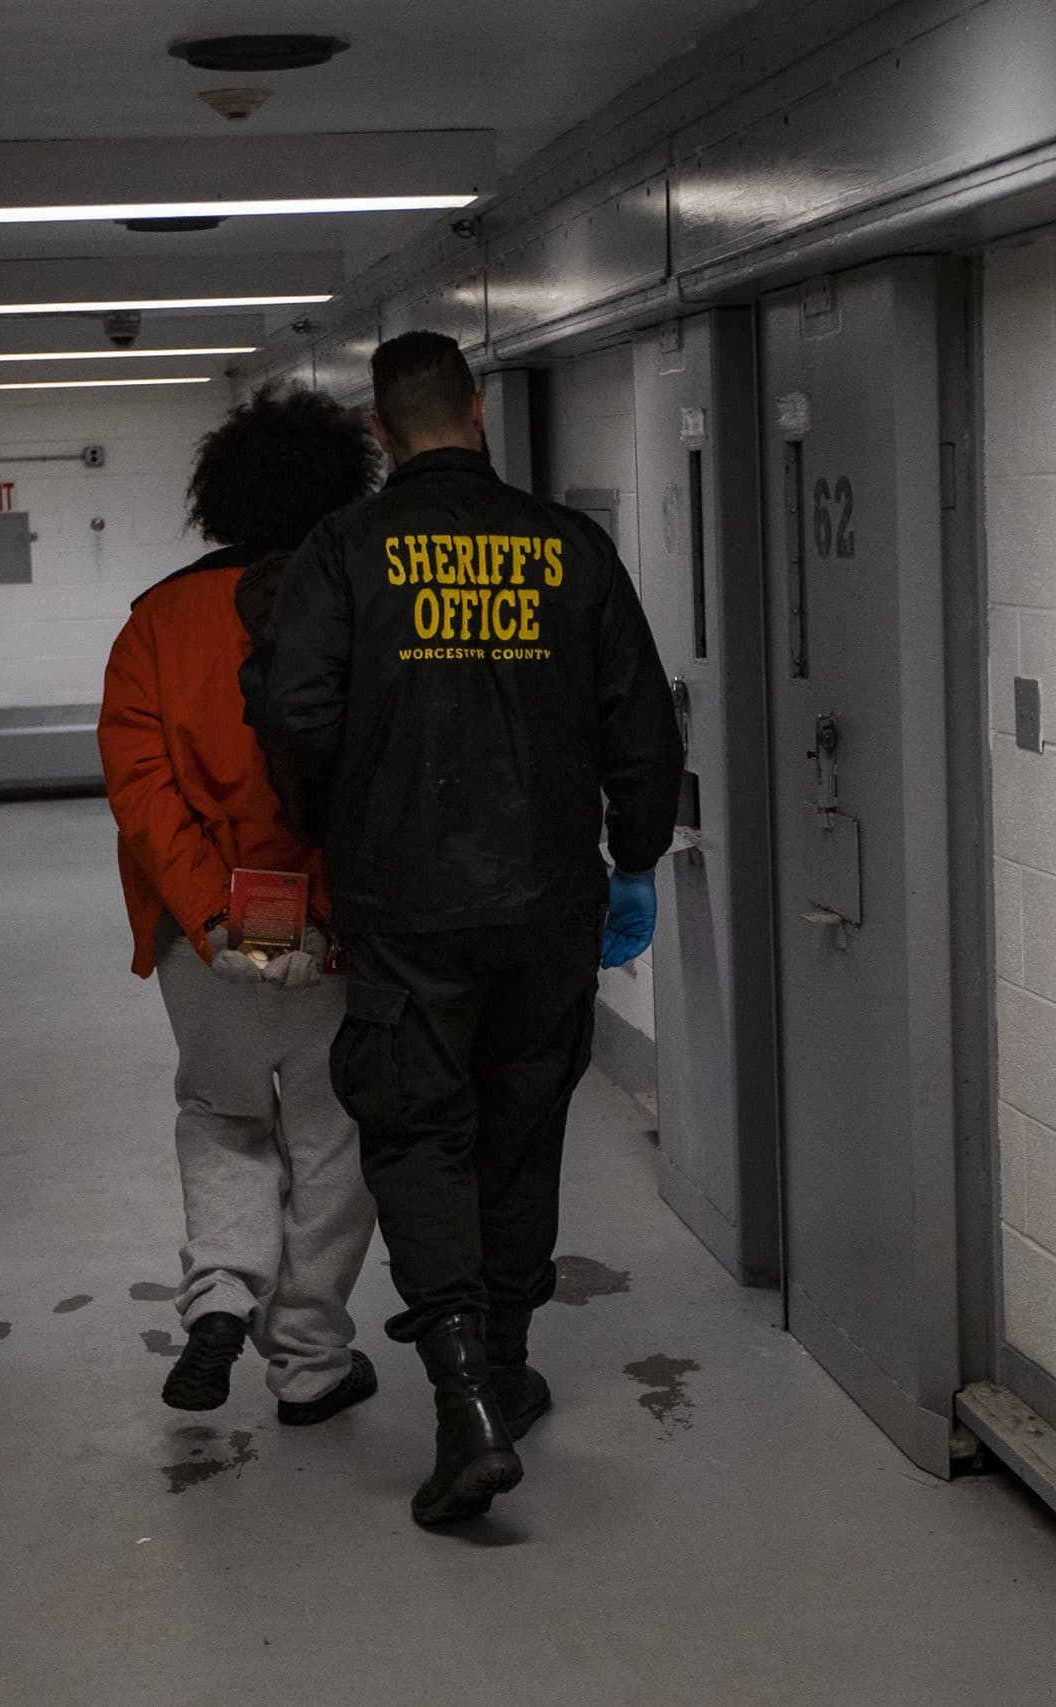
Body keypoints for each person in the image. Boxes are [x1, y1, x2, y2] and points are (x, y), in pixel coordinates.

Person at [246, 331, 683, 1525]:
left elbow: (293, 706)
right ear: (477, 412)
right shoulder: (570, 548)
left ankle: (464, 1411)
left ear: (381, 432)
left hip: (406, 903)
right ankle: (504, 1362)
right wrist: (632, 854)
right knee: (522, 1122)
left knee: (416, 1131)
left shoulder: (345, 550)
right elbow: (640, 722)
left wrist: (339, 810)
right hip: (548, 897)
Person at [98, 386, 383, 1425]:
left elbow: (141, 790)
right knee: (330, 1136)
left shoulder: (156, 623)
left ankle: (221, 1293)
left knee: (222, 1116)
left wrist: (213, 910)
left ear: (217, 499)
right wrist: (328, 905)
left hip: (204, 937)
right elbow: (371, 770)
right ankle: (307, 1357)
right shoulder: (360, 603)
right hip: (337, 925)